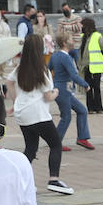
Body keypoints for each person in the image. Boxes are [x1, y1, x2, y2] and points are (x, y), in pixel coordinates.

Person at [11, 35, 72, 196]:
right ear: (39, 49)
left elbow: (9, 82)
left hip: (22, 114)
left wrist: (15, 99)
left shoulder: (19, 68)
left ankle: (19, 180)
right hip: (38, 114)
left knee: (31, 148)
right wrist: (56, 92)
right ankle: (53, 179)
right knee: (55, 144)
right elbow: (48, 96)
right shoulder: (42, 70)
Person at [50, 31, 94, 152]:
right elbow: (73, 75)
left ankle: (82, 138)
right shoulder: (66, 57)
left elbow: (48, 70)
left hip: (61, 89)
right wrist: (85, 85)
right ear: (65, 43)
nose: (73, 41)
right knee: (66, 117)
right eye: (70, 39)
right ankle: (56, 142)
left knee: (82, 111)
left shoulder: (55, 55)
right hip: (64, 90)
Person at [79, 17, 103, 112]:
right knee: (88, 88)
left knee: (96, 88)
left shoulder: (97, 36)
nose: (81, 27)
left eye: (82, 25)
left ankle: (99, 108)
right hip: (86, 66)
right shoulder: (82, 37)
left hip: (96, 66)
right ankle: (90, 108)